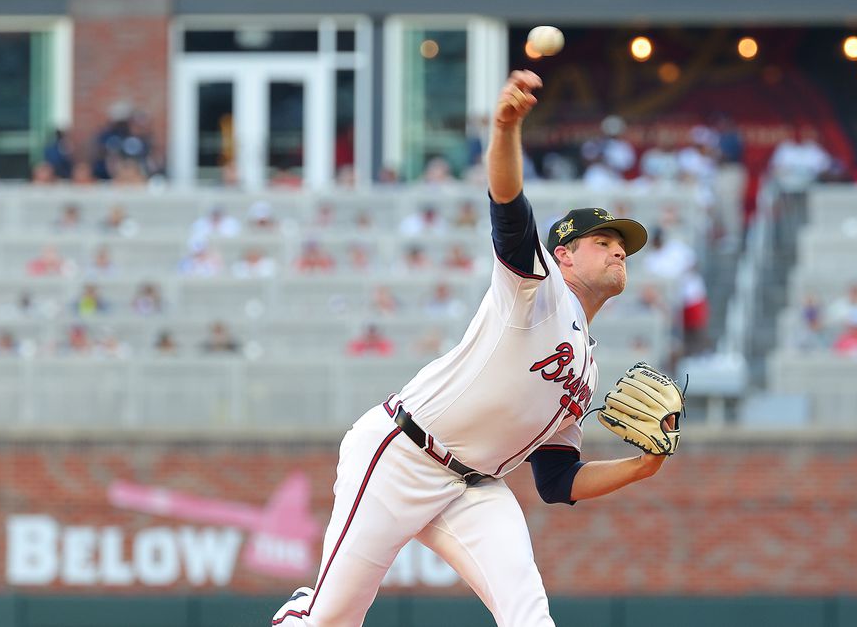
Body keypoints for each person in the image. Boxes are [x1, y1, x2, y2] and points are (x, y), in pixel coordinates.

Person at [272, 69, 672, 627]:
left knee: (530, 618)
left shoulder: (588, 367)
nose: (617, 251)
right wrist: (505, 128)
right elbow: (509, 210)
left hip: (475, 488)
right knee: (332, 619)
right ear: (563, 256)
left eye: (621, 245)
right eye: (600, 242)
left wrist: (642, 467)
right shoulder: (538, 292)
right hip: (402, 455)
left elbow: (557, 482)